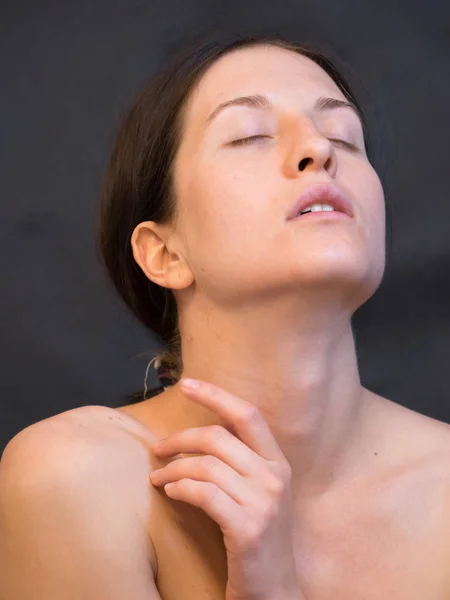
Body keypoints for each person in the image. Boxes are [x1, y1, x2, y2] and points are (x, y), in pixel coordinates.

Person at [1, 30, 450, 600]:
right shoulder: (76, 478)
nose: (320, 150)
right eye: (250, 136)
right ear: (164, 254)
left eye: (346, 136)